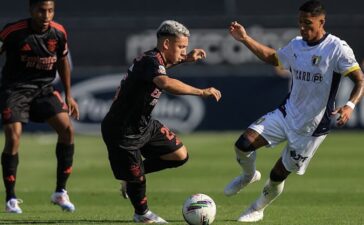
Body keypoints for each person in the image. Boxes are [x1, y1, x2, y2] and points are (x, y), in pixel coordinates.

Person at [224, 0, 364, 222]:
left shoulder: (337, 48)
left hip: (312, 128)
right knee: (243, 144)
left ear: (321, 22)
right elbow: (274, 58)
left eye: (308, 23)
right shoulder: (297, 44)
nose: (302, 28)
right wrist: (245, 39)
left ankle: (257, 208)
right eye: (300, 22)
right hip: (286, 114)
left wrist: (349, 105)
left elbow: (359, 80)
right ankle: (248, 175)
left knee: (277, 175)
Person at [101, 20, 221, 224]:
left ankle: (131, 177)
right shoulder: (150, 61)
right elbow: (164, 82)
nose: (184, 51)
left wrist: (186, 59)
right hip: (122, 131)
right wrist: (201, 91)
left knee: (179, 155)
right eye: (181, 47)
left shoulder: (154, 60)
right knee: (137, 180)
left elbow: (164, 67)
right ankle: (142, 214)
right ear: (166, 44)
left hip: (144, 124)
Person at [0, 0, 79, 213]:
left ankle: (60, 192)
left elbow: (63, 61)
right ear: (31, 10)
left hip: (44, 89)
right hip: (15, 90)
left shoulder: (59, 32)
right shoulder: (13, 31)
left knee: (67, 130)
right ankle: (11, 198)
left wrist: (69, 95)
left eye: (50, 10)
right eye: (41, 10)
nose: (46, 15)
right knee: (13, 136)